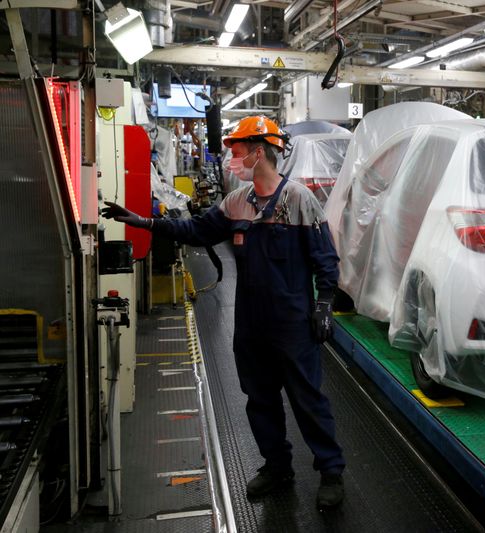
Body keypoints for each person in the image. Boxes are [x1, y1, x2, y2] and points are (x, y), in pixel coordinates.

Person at [102, 116, 346, 508]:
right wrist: (146, 222)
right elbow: (197, 231)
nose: (232, 157)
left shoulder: (299, 200)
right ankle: (276, 466)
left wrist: (323, 305)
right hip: (250, 324)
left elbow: (325, 259)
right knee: (259, 398)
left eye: (237, 150)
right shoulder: (237, 202)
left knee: (308, 400)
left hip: (292, 324)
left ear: (259, 151)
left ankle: (331, 471)